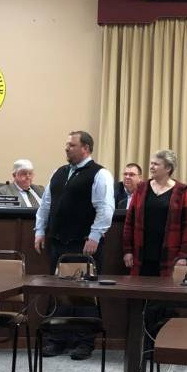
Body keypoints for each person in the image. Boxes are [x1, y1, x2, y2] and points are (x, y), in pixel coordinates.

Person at [34, 130, 114, 360]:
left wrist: (95, 236)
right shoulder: (59, 172)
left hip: (84, 244)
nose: (66, 148)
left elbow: (105, 208)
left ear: (86, 148)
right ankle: (57, 340)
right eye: (66, 144)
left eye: (71, 145)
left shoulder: (100, 174)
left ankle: (83, 342)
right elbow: (46, 205)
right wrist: (40, 230)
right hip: (58, 243)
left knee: (84, 294)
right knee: (59, 292)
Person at [123, 150, 187, 277]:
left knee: (164, 294)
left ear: (168, 168)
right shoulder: (141, 188)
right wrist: (127, 250)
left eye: (156, 164)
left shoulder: (182, 191)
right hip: (142, 253)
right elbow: (130, 221)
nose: (151, 167)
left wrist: (183, 255)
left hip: (168, 254)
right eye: (151, 163)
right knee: (138, 292)